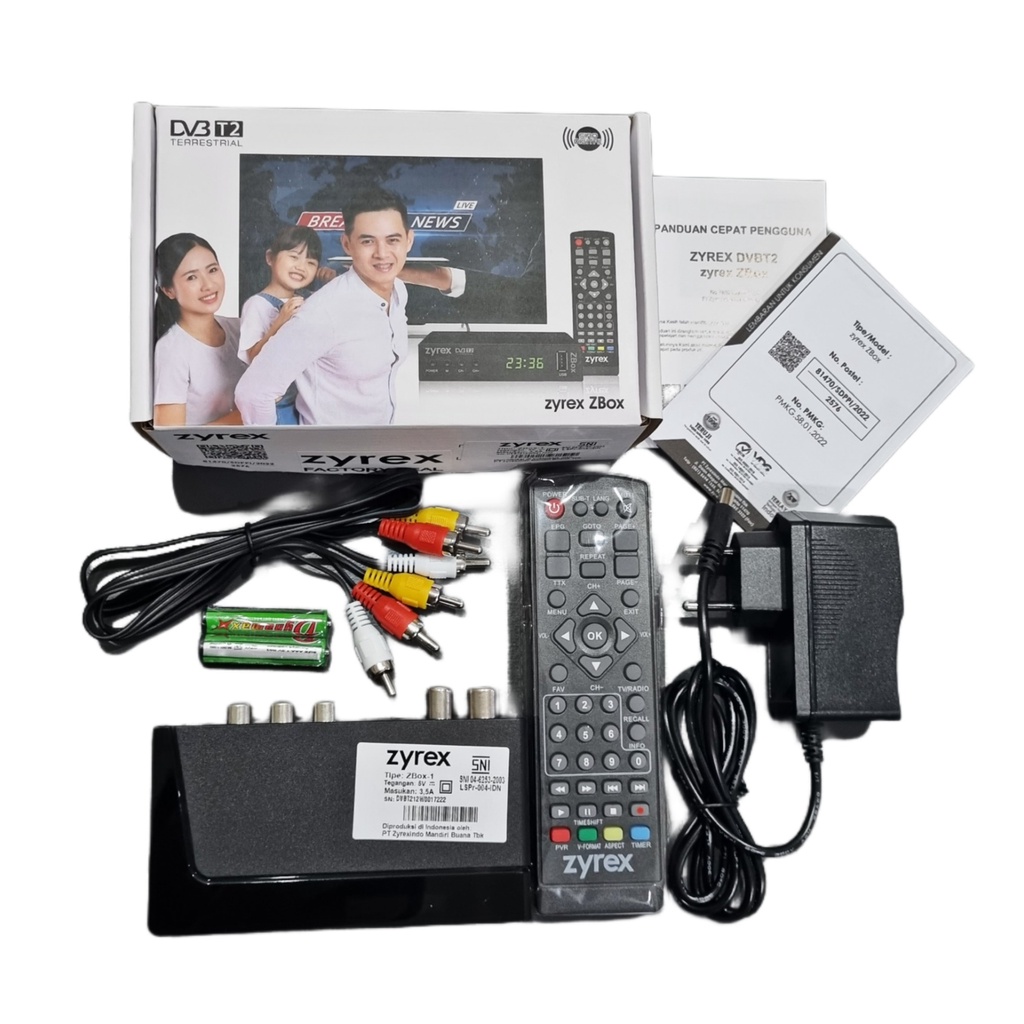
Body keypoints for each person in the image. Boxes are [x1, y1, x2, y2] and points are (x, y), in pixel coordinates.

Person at [234, 190, 450, 426]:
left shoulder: (399, 291)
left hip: (380, 442)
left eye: (392, 240)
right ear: (347, 244)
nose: (382, 253)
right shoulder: (323, 313)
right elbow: (253, 393)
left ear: (409, 240)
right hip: (329, 448)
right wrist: (279, 449)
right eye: (367, 241)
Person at [238, 225, 328, 424]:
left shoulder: (308, 300)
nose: (301, 267)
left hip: (304, 400)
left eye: (310, 262)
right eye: (294, 257)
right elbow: (252, 357)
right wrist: (279, 322)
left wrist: (329, 284)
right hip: (278, 405)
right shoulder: (257, 305)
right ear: (270, 257)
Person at [153, 233, 243, 427]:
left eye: (212, 270)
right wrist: (248, 415)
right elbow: (172, 436)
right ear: (169, 290)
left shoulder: (240, 329)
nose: (208, 285)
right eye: (192, 277)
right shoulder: (172, 350)